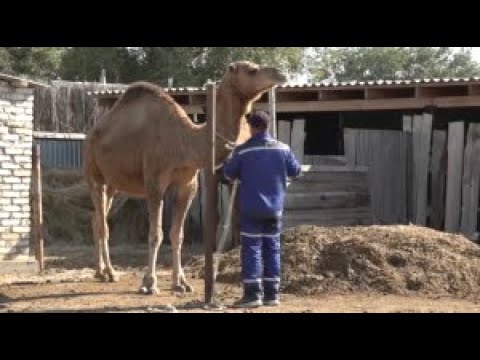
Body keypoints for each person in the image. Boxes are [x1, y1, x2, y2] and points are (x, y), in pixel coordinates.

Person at [222, 110, 301, 308]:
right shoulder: (283, 148)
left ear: (252, 127)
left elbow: (228, 175)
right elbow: (296, 171)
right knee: (272, 249)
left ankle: (252, 295)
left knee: (252, 250)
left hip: (251, 210)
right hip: (275, 210)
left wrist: (229, 159)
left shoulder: (243, 151)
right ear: (267, 126)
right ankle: (272, 295)